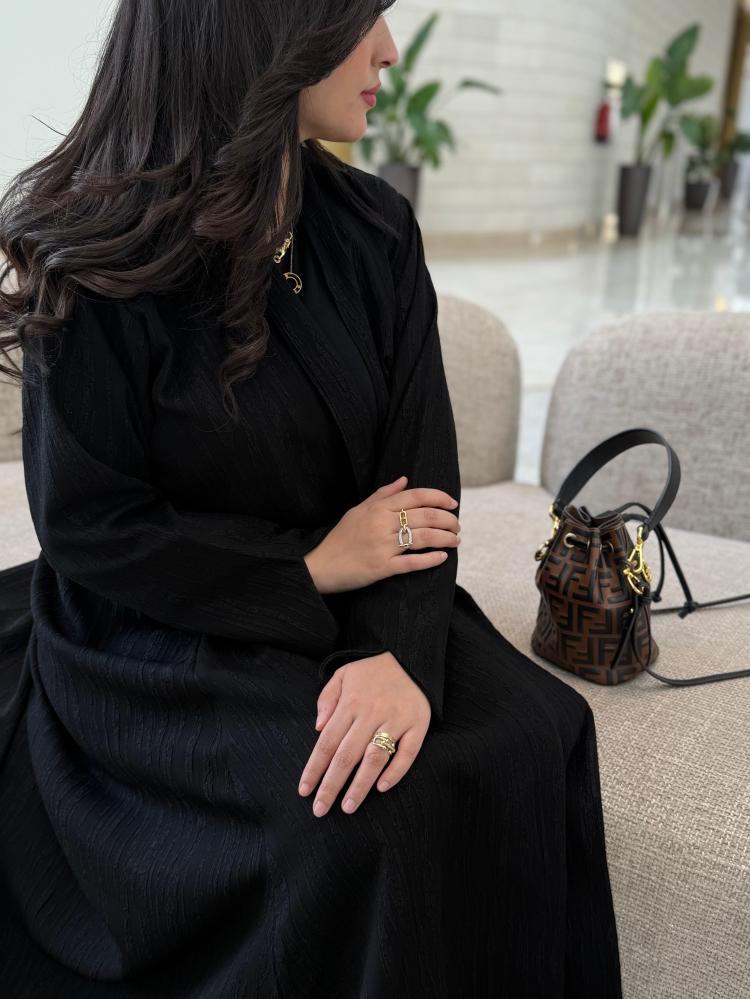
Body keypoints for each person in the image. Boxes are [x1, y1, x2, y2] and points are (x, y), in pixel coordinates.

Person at [0, 3, 623, 996]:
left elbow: (420, 485)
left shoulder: (375, 228)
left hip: (368, 595)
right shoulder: (94, 248)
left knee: (538, 732)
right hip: (161, 621)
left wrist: (396, 654)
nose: (388, 50)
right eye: (360, 18)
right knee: (344, 825)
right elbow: (89, 525)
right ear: (263, 28)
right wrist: (308, 567)